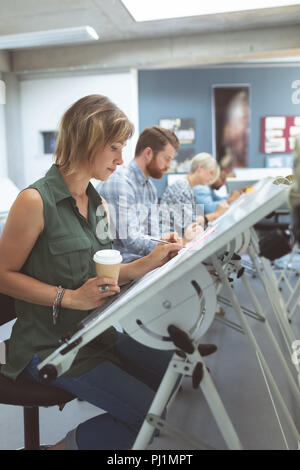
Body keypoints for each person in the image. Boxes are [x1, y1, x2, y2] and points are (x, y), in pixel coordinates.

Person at [0, 94, 187, 450]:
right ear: (87, 141)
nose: (121, 159)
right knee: (154, 419)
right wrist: (68, 297)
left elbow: (105, 277)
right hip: (49, 345)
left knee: (175, 378)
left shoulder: (98, 203)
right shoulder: (34, 201)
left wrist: (152, 261)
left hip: (95, 334)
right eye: (115, 148)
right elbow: (2, 275)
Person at [98, 126, 180, 263]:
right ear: (148, 153)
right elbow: (132, 241)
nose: (169, 165)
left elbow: (152, 233)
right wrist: (167, 247)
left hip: (142, 264)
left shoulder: (150, 189)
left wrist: (168, 242)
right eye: (167, 158)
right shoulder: (120, 183)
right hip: (121, 271)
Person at [160, 153, 228, 238]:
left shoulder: (187, 187)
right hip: (171, 242)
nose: (211, 178)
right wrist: (215, 214)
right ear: (200, 168)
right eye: (211, 173)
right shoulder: (183, 188)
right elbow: (191, 225)